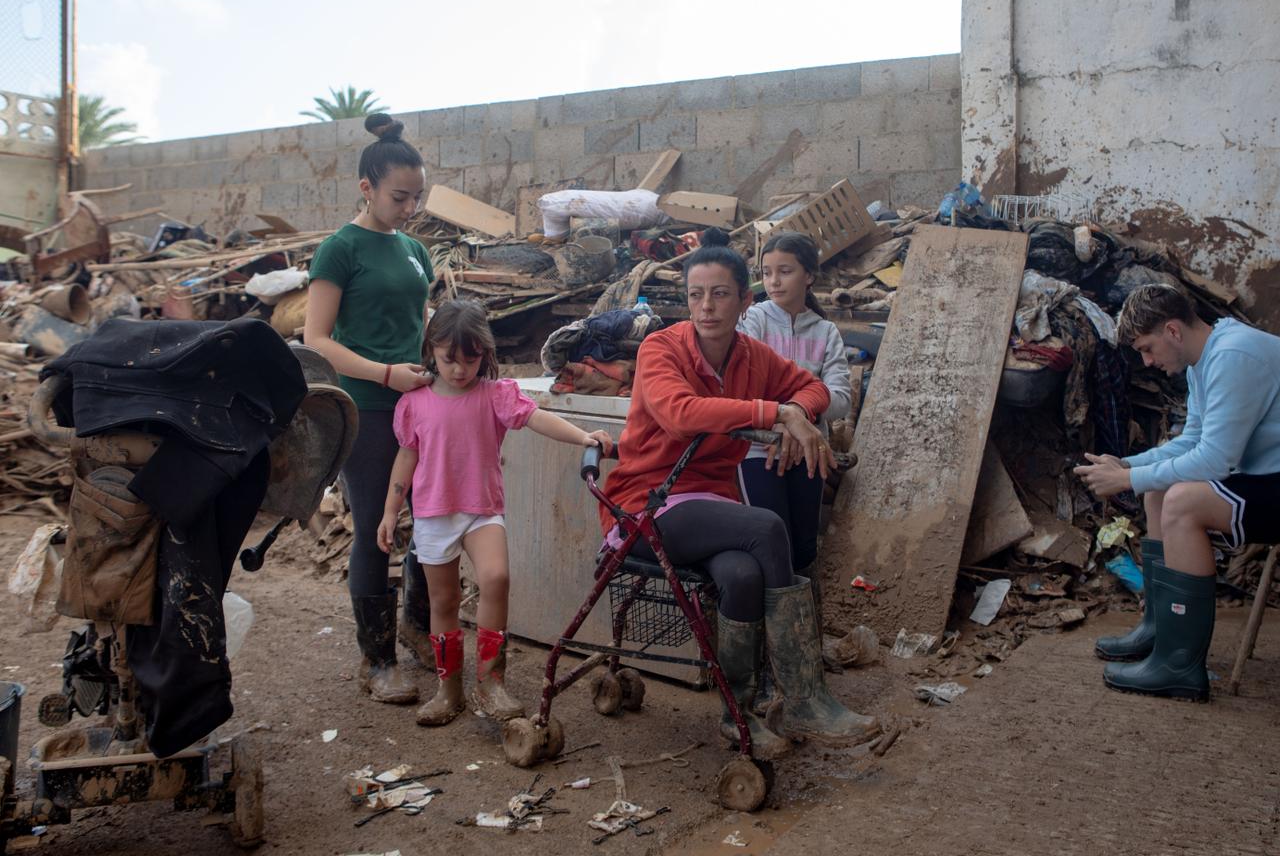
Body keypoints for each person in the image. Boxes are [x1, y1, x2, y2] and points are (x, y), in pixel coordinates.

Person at [600, 241, 880, 759]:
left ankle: (740, 712)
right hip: (648, 505)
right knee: (769, 527)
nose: (706, 306)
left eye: (720, 295)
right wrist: (779, 414)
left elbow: (812, 388)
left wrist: (796, 407)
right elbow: (683, 413)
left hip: (711, 505)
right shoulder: (660, 348)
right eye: (696, 295)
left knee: (743, 577)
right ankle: (802, 698)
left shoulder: (753, 356)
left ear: (744, 301)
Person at [1074, 284, 1280, 701]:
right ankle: (1161, 630)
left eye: (1148, 348)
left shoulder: (1235, 356)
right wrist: (1131, 466)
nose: (1147, 361)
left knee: (1182, 502)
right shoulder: (1209, 359)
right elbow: (1194, 441)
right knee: (1160, 491)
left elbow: (1216, 461)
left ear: (1172, 331)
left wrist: (1127, 480)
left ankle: (1179, 666)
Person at [377, 300, 613, 726]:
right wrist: (391, 510)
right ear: (431, 349)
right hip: (433, 514)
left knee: (496, 578)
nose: (460, 369)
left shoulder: (496, 395)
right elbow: (406, 457)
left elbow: (539, 418)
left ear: (484, 355)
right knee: (443, 601)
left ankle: (491, 684)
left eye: (470, 359)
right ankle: (449, 691)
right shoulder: (414, 403)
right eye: (450, 359)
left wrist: (583, 437)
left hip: (482, 509)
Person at [305, 113, 436, 704]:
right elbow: (317, 340)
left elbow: (420, 321)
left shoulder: (414, 250)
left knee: (435, 517)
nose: (409, 207)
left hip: (422, 403)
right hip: (367, 407)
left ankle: (417, 625)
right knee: (374, 532)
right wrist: (386, 374)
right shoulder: (340, 250)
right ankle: (376, 660)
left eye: (417, 196)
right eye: (398, 196)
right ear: (367, 188)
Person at [737, 231, 851, 590]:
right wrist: (784, 417)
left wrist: (798, 414)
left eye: (784, 271)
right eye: (766, 272)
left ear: (810, 276)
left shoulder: (826, 331)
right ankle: (764, 632)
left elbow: (841, 397)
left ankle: (800, 628)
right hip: (758, 448)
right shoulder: (754, 320)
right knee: (772, 540)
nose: (773, 281)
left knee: (803, 547)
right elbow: (747, 386)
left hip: (808, 452)